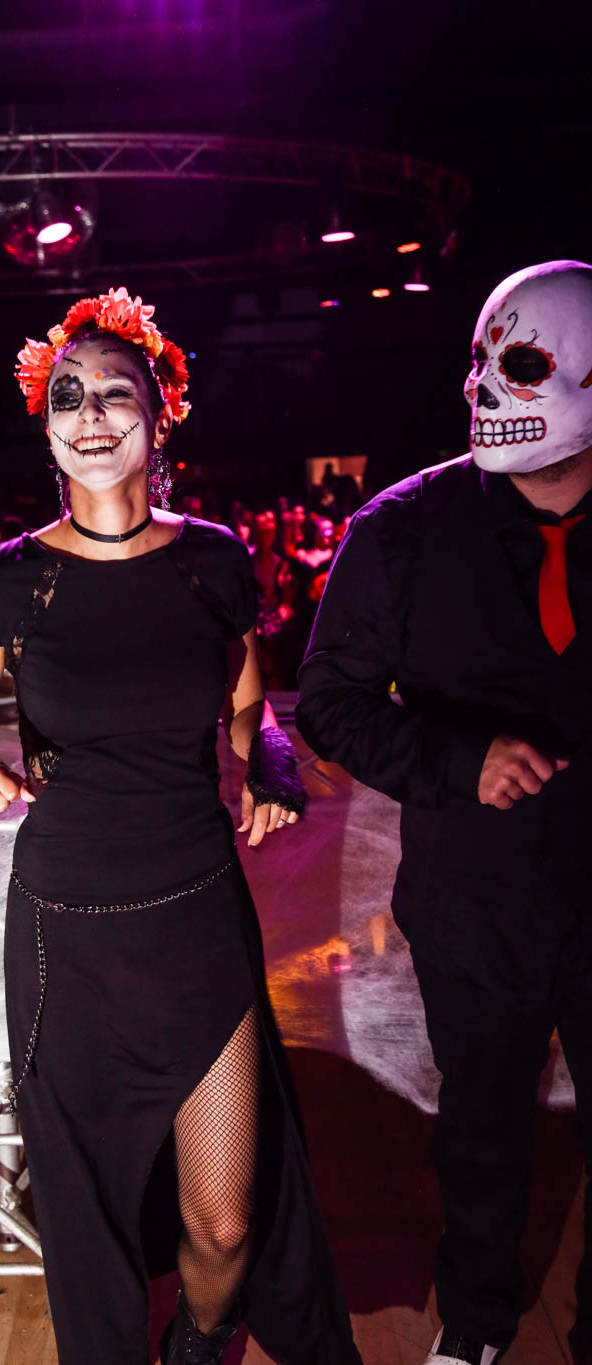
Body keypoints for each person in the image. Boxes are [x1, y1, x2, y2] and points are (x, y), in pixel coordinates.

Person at [0, 287, 361, 1365]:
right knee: (90, 1221)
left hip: (196, 919)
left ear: (159, 412)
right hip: (66, 931)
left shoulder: (214, 560)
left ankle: (199, 1345)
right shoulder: (3, 583)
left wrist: (270, 763)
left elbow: (250, 710)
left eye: (112, 394)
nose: (88, 417)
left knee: (224, 1222)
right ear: (45, 426)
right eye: (65, 398)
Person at [295, 259, 592, 1365]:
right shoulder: (402, 529)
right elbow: (328, 700)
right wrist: (456, 759)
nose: (483, 389)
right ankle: (475, 1324)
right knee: (482, 1125)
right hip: (474, 897)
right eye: (477, 362)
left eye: (522, 365)